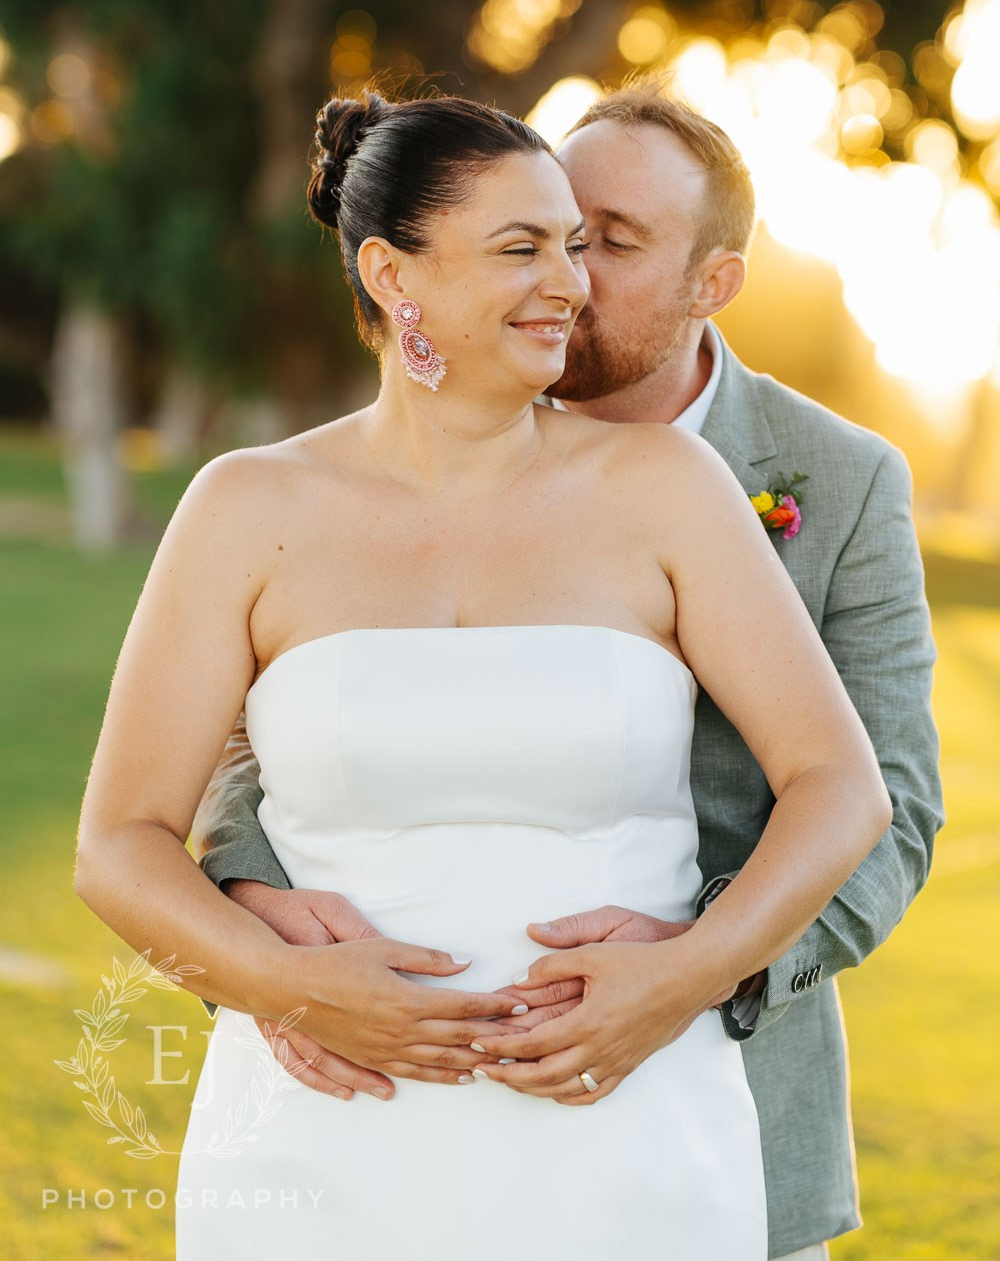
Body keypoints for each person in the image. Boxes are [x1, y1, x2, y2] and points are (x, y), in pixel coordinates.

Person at [76, 90, 892, 1261]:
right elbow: (121, 840)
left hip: (625, 1129)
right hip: (328, 1141)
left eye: (574, 244)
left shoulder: (667, 487)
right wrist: (283, 987)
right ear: (392, 275)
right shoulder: (245, 509)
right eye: (523, 247)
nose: (570, 281)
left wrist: (683, 979)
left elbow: (841, 786)